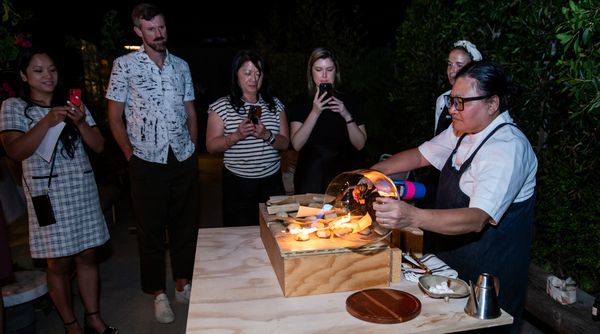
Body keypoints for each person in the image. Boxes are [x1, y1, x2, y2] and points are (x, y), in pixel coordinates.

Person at [371, 61, 537, 334]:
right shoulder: (463, 130)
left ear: (492, 104)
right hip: (451, 264)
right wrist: (373, 173)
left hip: (488, 276)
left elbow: (477, 218)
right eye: (451, 100)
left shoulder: (507, 148)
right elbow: (420, 155)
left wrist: (411, 215)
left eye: (460, 102)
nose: (451, 109)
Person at [0, 47, 116, 334]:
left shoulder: (74, 104)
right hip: (47, 197)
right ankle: (70, 324)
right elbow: (15, 150)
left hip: (81, 188)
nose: (47, 75)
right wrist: (47, 121)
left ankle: (93, 317)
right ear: (24, 76)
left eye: (51, 69)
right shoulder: (13, 107)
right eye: (38, 70)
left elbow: (99, 145)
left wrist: (78, 121)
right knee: (59, 263)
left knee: (88, 255)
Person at [106, 3, 198, 324]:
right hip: (146, 159)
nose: (159, 34)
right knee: (151, 232)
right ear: (138, 32)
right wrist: (130, 155)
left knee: (185, 225)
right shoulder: (124, 66)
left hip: (182, 156)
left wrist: (193, 145)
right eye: (151, 29)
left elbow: (190, 110)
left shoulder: (181, 66)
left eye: (162, 27)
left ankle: (182, 284)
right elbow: (114, 117)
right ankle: (157, 293)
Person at [205, 49, 289, 227]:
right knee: (239, 235)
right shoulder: (222, 106)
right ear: (236, 74)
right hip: (238, 184)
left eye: (258, 73)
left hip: (271, 181)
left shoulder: (275, 105)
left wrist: (267, 135)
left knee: (276, 231)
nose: (254, 79)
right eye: (248, 73)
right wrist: (236, 135)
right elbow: (211, 146)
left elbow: (285, 142)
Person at [288, 47, 367, 194]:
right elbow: (297, 144)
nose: (324, 75)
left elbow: (360, 144)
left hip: (343, 175)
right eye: (318, 69)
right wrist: (315, 111)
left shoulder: (350, 101)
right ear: (311, 72)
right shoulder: (300, 102)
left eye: (329, 69)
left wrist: (346, 115)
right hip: (310, 176)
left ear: (335, 72)